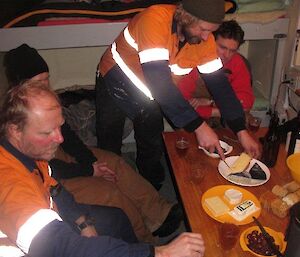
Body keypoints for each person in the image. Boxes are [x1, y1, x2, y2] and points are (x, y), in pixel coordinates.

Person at [0, 81, 206, 257]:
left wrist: (82, 222)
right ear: (15, 131)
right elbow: (63, 247)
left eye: (59, 127)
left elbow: (55, 189)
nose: (60, 138)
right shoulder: (12, 187)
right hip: (39, 247)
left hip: (52, 218)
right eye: (47, 133)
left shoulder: (30, 152)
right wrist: (161, 253)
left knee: (116, 218)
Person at [3, 43, 183, 242]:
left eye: (47, 79)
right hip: (51, 177)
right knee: (109, 192)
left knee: (113, 162)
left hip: (57, 155)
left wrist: (91, 163)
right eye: (38, 82)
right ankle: (145, 242)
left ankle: (159, 215)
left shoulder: (45, 103)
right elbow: (49, 170)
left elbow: (68, 138)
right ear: (21, 87)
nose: (46, 86)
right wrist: (89, 171)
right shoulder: (17, 122)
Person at [96, 0, 261, 190]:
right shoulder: (154, 20)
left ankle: (153, 192)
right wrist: (200, 127)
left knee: (152, 144)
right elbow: (159, 82)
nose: (207, 37)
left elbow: (221, 87)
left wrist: (241, 131)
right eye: (203, 29)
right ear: (186, 17)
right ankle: (111, 190)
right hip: (115, 80)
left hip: (150, 95)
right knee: (109, 145)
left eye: (211, 31)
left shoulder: (205, 40)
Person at [178, 20, 255, 120]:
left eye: (232, 51)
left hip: (224, 115)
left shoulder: (237, 61)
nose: (226, 55)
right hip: (195, 117)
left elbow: (246, 101)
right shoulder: (192, 59)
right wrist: (217, 111)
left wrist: (211, 102)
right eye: (222, 47)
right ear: (210, 41)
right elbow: (181, 104)